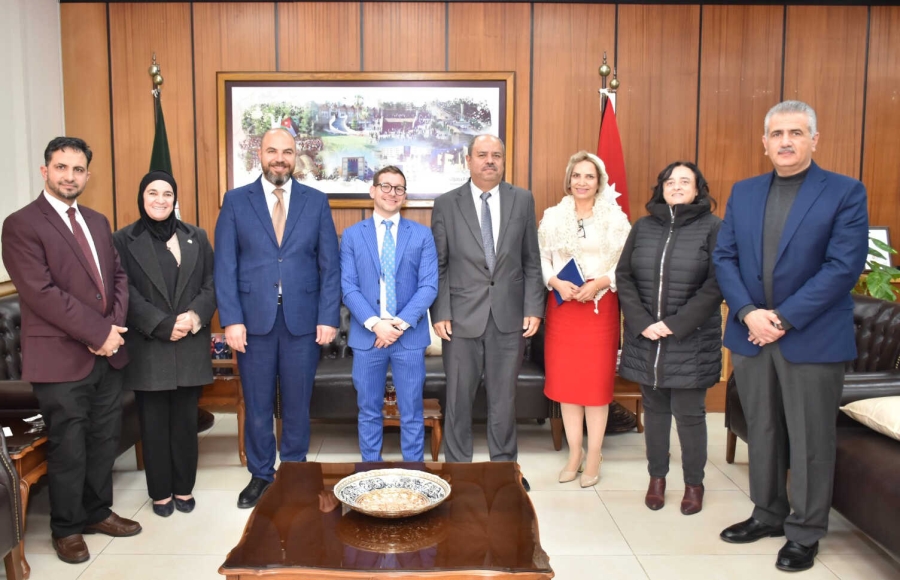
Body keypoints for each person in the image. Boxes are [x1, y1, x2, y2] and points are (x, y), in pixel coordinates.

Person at [713, 101, 869, 572]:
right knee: (761, 429)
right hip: (750, 333)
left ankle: (805, 530)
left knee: (809, 438)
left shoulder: (845, 192)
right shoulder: (744, 191)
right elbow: (725, 258)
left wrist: (780, 319)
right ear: (764, 142)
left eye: (796, 133)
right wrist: (747, 313)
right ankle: (768, 513)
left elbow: (842, 267)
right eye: (777, 134)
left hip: (812, 337)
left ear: (814, 140)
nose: (785, 142)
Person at [1, 137, 141, 564]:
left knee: (103, 437)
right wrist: (98, 333)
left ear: (87, 175)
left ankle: (96, 512)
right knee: (69, 444)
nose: (69, 176)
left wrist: (112, 328)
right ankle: (65, 528)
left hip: (107, 351)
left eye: (78, 169)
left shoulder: (97, 220)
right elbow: (41, 294)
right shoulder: (21, 224)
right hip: (60, 358)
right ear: (45, 171)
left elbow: (118, 278)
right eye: (61, 167)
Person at [215, 127, 341, 508]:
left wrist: (328, 317)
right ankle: (261, 475)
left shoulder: (315, 202)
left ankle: (295, 471)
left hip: (303, 321)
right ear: (261, 154)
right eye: (273, 151)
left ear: (295, 156)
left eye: (287, 152)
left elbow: (330, 266)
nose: (280, 159)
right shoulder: (236, 201)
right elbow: (225, 265)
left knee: (298, 403)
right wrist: (231, 319)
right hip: (252, 322)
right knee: (257, 403)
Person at [430, 134, 544, 490]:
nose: (490, 160)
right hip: (460, 318)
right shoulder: (446, 203)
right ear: (468, 160)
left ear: (504, 161)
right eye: (482, 154)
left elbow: (531, 260)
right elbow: (439, 264)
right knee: (458, 400)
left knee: (503, 400)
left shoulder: (522, 199)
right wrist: (440, 311)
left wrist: (533, 307)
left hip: (509, 317)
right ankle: (457, 472)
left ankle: (505, 472)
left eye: (496, 155)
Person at [616, 161, 722, 513]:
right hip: (646, 337)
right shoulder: (643, 227)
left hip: (690, 340)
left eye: (684, 181)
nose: (676, 186)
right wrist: (642, 321)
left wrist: (675, 324)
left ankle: (694, 484)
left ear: (697, 189)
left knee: (690, 414)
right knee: (655, 412)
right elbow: (624, 276)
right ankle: (657, 478)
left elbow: (717, 283)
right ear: (661, 188)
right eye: (670, 181)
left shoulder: (714, 227)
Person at [113, 170, 216, 517]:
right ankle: (160, 494)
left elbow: (211, 283)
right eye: (153, 193)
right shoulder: (123, 240)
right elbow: (124, 290)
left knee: (186, 423)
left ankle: (184, 488)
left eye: (167, 194)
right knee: (154, 425)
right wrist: (161, 325)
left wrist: (194, 317)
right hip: (149, 346)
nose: (160, 200)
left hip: (189, 343)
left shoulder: (196, 236)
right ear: (142, 197)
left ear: (175, 199)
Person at [537, 151, 630, 488]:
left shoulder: (616, 219)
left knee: (595, 387)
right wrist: (555, 281)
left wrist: (599, 283)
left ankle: (594, 455)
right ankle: (574, 453)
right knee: (567, 387)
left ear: (599, 181)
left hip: (599, 308)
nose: (582, 182)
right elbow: (542, 257)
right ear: (569, 179)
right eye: (576, 175)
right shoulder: (553, 216)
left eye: (589, 176)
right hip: (563, 307)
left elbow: (625, 263)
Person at [340, 166, 438, 462]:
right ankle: (371, 468)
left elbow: (429, 286)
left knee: (412, 410)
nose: (392, 193)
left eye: (399, 188)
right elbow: (348, 286)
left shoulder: (422, 235)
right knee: (368, 410)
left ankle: (414, 471)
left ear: (404, 196)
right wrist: (375, 324)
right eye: (386, 186)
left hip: (408, 337)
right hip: (368, 336)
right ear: (373, 191)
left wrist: (399, 324)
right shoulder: (352, 235)